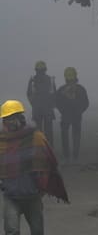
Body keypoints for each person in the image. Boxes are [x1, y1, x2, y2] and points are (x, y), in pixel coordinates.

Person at [0, 100, 69, 235]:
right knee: (11, 231)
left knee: (37, 231)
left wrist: (43, 185)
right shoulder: (1, 141)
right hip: (11, 196)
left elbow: (49, 163)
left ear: (21, 118)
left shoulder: (36, 138)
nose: (10, 122)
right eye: (7, 119)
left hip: (33, 196)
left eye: (13, 118)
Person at [55, 67, 89, 163]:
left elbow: (57, 103)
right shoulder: (81, 89)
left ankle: (68, 156)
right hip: (75, 116)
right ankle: (74, 156)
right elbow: (86, 103)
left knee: (66, 135)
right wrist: (80, 111)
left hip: (68, 116)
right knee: (75, 135)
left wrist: (63, 111)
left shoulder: (61, 90)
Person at [26, 61, 56, 146]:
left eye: (41, 71)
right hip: (44, 109)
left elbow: (29, 94)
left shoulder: (33, 80)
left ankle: (43, 150)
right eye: (40, 71)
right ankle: (47, 149)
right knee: (45, 132)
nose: (40, 72)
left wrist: (34, 105)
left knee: (41, 132)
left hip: (41, 109)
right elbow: (54, 94)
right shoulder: (49, 79)